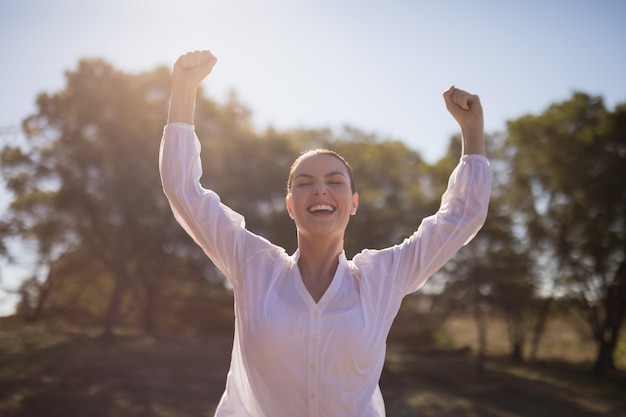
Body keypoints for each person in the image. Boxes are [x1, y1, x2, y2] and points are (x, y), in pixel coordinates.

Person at [159, 50, 491, 417]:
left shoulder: (382, 279)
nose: (320, 190)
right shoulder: (252, 265)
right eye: (304, 183)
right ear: (290, 204)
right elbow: (183, 190)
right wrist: (184, 88)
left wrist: (471, 132)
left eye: (334, 182)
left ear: (353, 202)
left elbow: (463, 216)